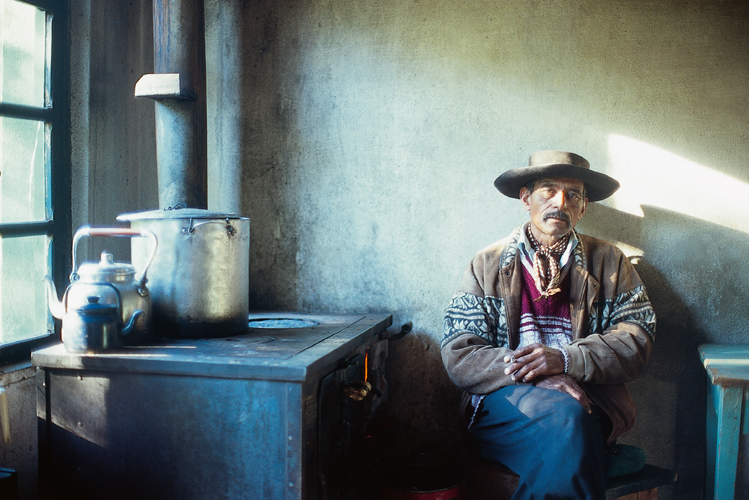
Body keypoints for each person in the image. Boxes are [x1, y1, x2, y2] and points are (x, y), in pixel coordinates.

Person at [441, 150, 656, 500]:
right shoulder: (487, 264)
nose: (560, 202)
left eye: (573, 194)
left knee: (569, 421)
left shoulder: (610, 262)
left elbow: (637, 339)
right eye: (548, 191)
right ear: (526, 198)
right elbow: (460, 354)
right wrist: (536, 371)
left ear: (583, 206)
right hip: (504, 403)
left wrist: (566, 360)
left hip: (588, 399)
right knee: (566, 422)